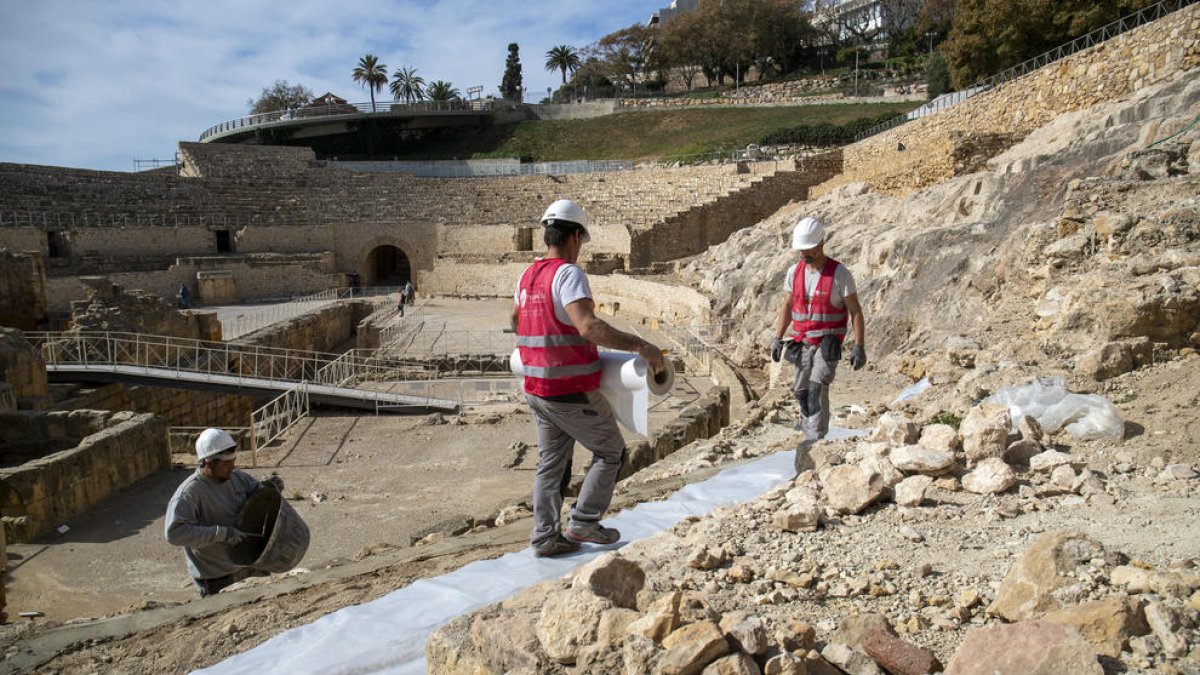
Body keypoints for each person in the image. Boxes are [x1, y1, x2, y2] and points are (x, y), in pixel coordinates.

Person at [512, 199, 665, 558]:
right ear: (576, 237)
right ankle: (583, 521)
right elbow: (588, 326)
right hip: (569, 389)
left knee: (550, 464)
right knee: (611, 452)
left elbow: (515, 320)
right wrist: (642, 346)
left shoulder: (527, 276)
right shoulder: (568, 274)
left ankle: (545, 537)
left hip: (535, 387)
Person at [770, 216, 867, 451]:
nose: (804, 254)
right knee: (801, 392)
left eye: (809, 249)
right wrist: (777, 337)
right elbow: (788, 305)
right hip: (802, 343)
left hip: (826, 344)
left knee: (816, 389)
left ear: (821, 243)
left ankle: (815, 441)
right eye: (801, 250)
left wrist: (859, 346)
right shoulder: (794, 272)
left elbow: (855, 310)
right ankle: (809, 428)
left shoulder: (839, 274)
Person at [164, 428, 284, 597]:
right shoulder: (190, 494)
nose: (232, 467)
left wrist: (271, 488)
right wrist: (222, 534)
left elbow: (259, 499)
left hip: (251, 567)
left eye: (233, 461)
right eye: (226, 464)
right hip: (217, 578)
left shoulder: (238, 479)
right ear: (208, 462)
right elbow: (175, 534)